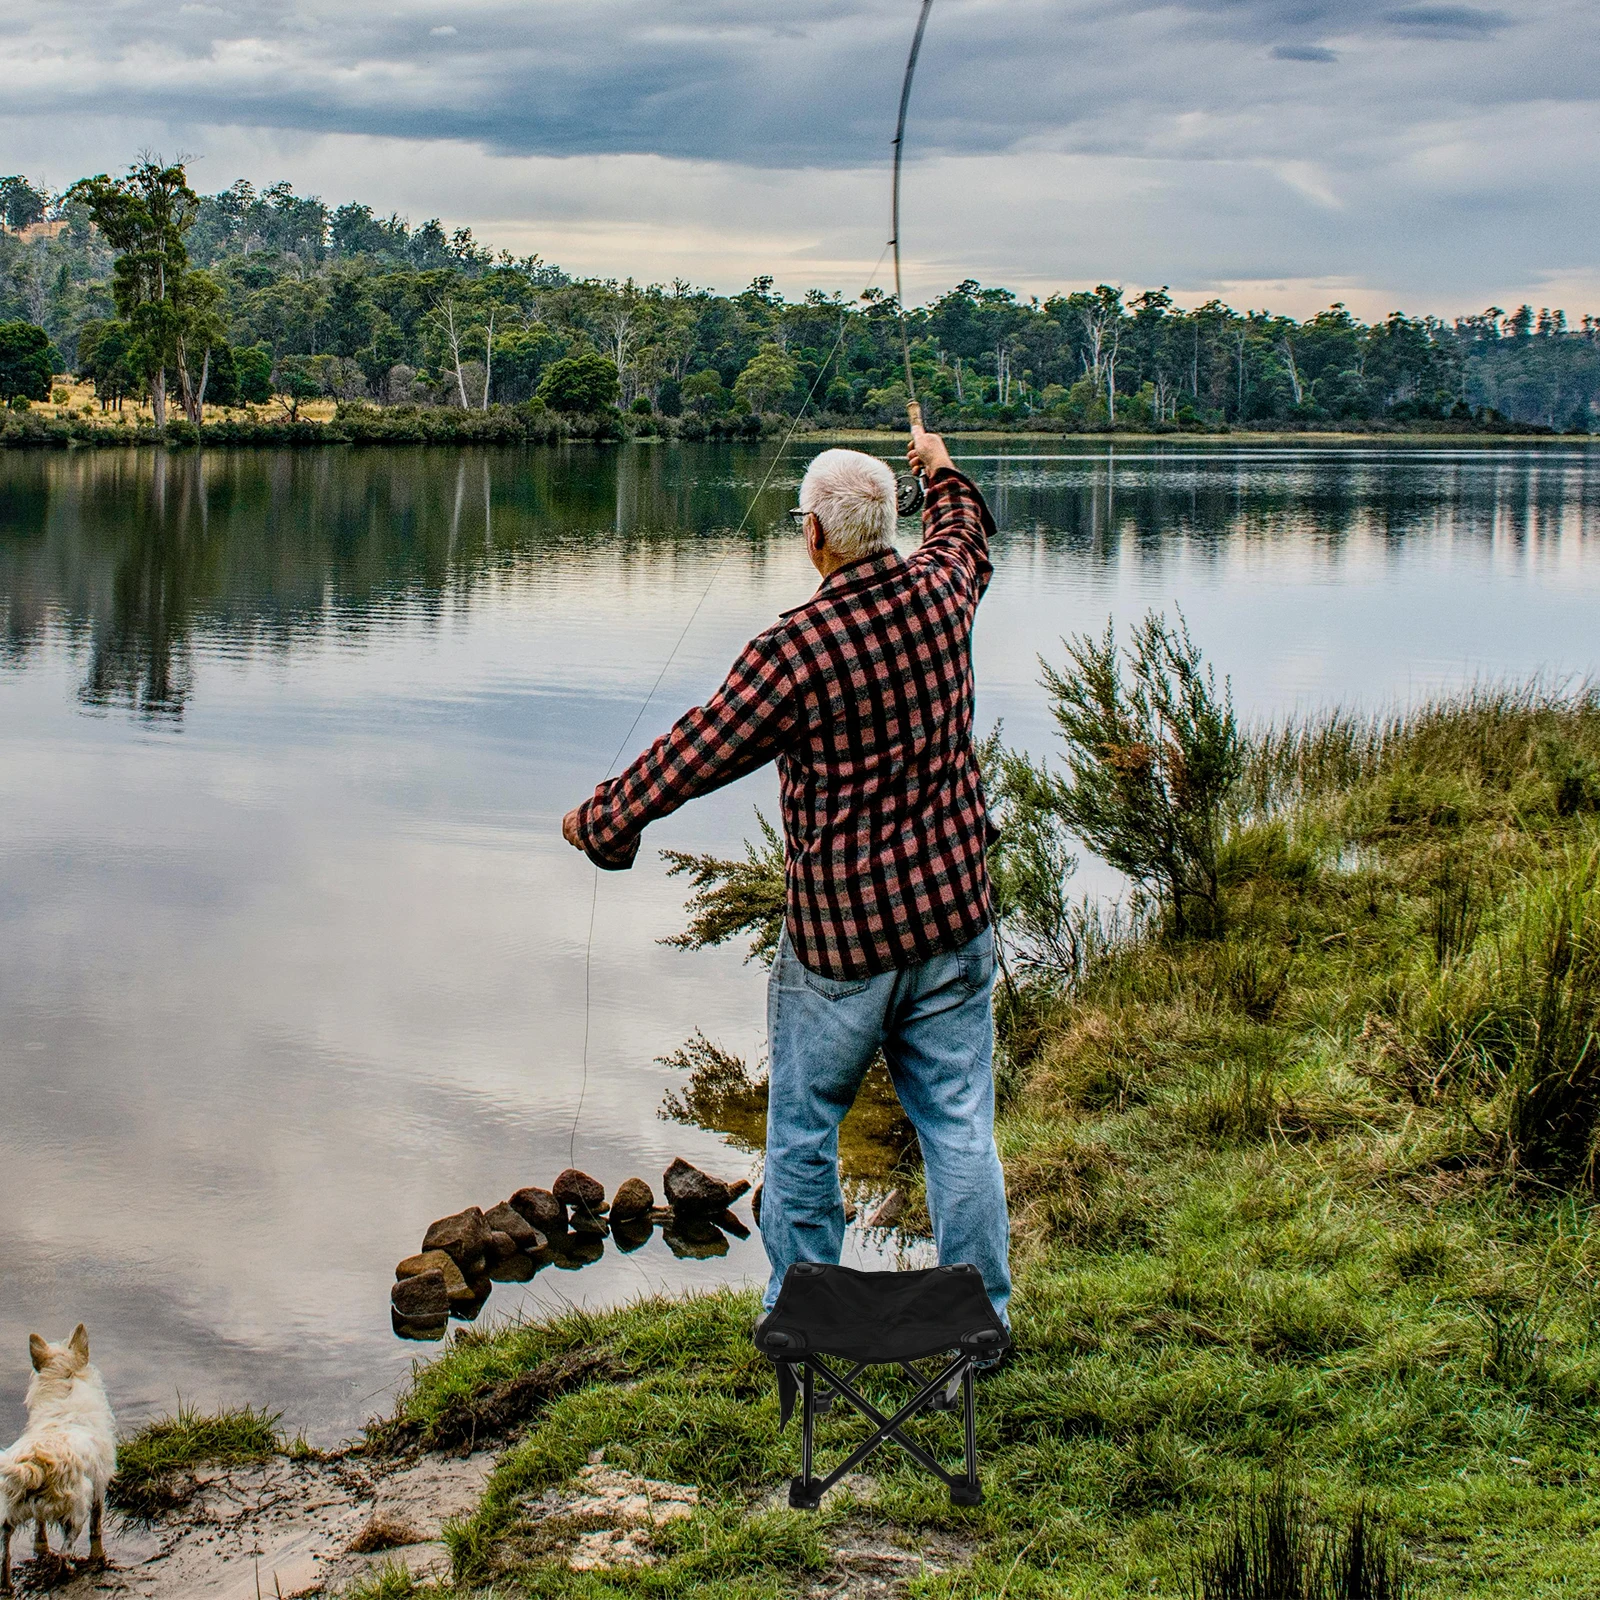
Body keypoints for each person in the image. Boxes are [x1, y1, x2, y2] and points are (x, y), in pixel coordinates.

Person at [562, 427, 1010, 1324]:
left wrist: (607, 820)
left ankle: (803, 1317)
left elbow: (701, 747)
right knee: (960, 1129)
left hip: (842, 948)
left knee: (805, 1136)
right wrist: (943, 468)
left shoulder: (797, 648)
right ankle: (982, 1321)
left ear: (816, 537)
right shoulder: (941, 593)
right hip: (955, 922)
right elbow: (965, 535)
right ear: (889, 526)